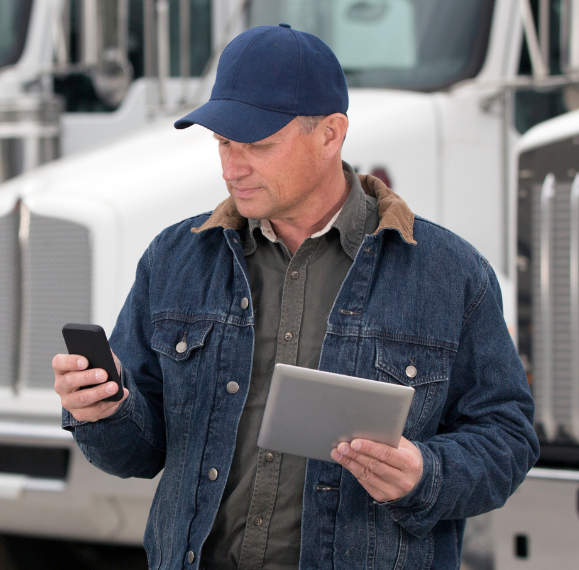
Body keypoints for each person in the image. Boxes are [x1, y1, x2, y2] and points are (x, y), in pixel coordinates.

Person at [52, 24, 538, 570]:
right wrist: (105, 409)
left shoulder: (450, 273)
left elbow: (508, 439)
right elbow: (138, 455)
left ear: (331, 134)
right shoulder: (174, 259)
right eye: (223, 143)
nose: (233, 166)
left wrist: (426, 473)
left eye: (258, 144)